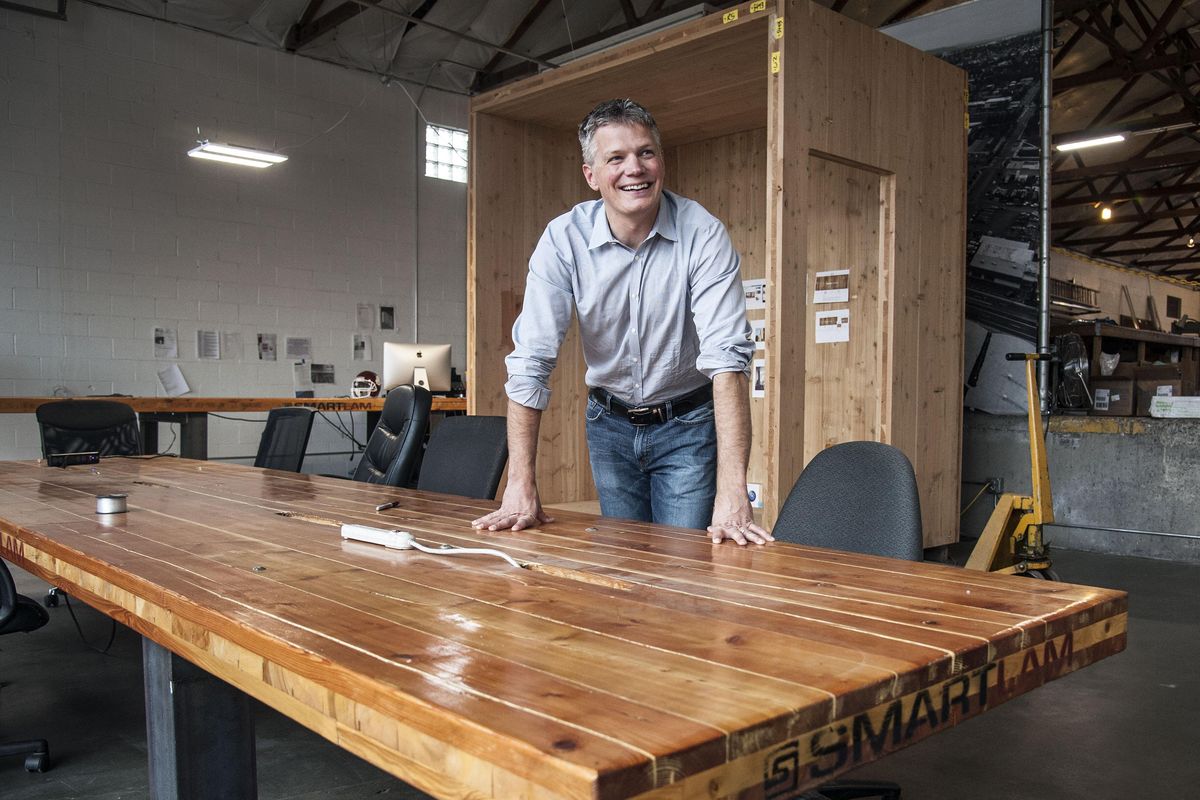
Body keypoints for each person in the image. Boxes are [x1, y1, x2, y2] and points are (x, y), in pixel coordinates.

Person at [470, 99, 772, 546]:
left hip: (687, 424)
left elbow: (727, 359)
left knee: (682, 566)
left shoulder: (702, 233)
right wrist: (519, 483)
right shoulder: (563, 239)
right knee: (622, 562)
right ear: (591, 176)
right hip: (609, 425)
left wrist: (732, 490)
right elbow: (531, 360)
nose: (636, 168)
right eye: (616, 158)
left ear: (661, 161)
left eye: (646, 152)